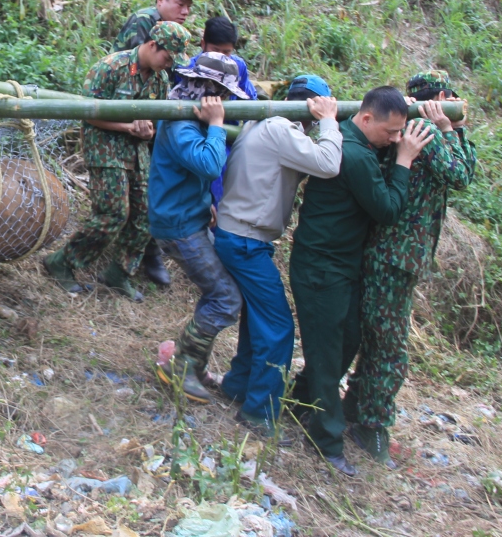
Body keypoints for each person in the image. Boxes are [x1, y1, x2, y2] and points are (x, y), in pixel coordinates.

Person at [286, 85, 432, 475]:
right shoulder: (353, 154)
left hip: (339, 267)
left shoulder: (360, 144)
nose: (397, 139)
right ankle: (327, 441)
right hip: (321, 269)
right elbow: (387, 209)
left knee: (347, 337)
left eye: (401, 133)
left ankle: (300, 403)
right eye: (391, 132)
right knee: (327, 351)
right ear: (365, 119)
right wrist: (403, 162)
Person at [345, 71, 477, 469]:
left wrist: (458, 130)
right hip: (395, 256)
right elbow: (461, 176)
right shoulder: (423, 130)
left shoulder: (421, 129)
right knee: (389, 350)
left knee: (379, 340)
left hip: (398, 256)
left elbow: (463, 164)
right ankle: (371, 424)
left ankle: (356, 407)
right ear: (441, 96)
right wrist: (445, 128)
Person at [213, 74, 343, 442]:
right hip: (245, 240)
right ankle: (258, 411)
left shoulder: (267, 125)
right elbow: (328, 162)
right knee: (279, 326)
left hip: (241, 235)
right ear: (314, 107)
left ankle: (240, 383)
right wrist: (330, 122)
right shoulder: (280, 129)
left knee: (260, 317)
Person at [42, 22, 192, 301]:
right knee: (113, 213)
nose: (168, 64)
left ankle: (120, 272)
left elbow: (157, 120)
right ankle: (62, 262)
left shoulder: (159, 79)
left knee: (145, 215)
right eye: (167, 57)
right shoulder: (111, 67)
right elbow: (86, 112)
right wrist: (127, 128)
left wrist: (150, 130)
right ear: (151, 45)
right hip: (105, 150)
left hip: (138, 154)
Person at [149, 52, 249, 403]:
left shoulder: (189, 116)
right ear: (207, 90)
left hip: (188, 216)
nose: (225, 102)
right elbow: (207, 164)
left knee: (218, 291)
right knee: (226, 298)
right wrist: (218, 124)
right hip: (177, 225)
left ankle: (194, 359)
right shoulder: (180, 120)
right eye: (221, 95)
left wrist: (207, 202)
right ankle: (181, 365)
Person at [109, 0, 200, 287]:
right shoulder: (144, 23)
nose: (185, 10)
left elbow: (181, 73)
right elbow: (141, 76)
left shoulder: (176, 33)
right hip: (130, 113)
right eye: (180, 3)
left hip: (157, 115)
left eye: (189, 5)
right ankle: (144, 253)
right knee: (142, 190)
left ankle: (148, 249)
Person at [199, 16, 258, 205]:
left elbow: (251, 104)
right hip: (198, 144)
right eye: (215, 51)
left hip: (229, 142)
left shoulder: (238, 66)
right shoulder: (191, 69)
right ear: (203, 44)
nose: (220, 59)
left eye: (227, 53)